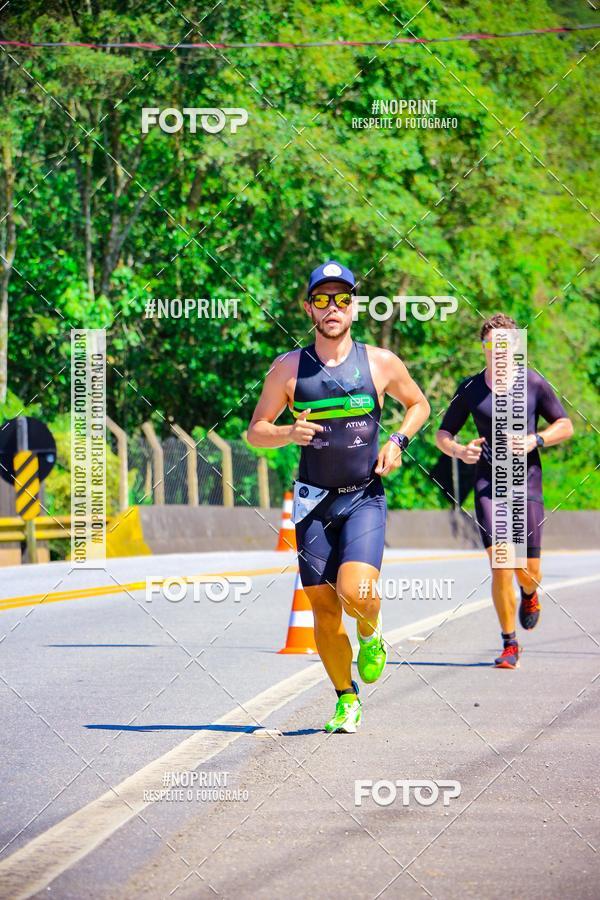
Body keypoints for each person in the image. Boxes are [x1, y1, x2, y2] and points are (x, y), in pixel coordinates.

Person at [247, 260, 430, 731]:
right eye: (323, 299)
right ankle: (345, 698)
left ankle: (371, 631)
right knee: (324, 610)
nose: (333, 307)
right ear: (308, 307)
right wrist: (287, 433)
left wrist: (398, 442)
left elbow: (419, 405)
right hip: (312, 503)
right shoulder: (288, 369)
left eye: (343, 298)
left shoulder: (380, 363)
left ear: (354, 307)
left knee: (356, 593)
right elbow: (256, 431)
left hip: (363, 495)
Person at [435, 313, 574, 668]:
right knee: (501, 564)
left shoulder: (533, 383)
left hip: (526, 483)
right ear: (483, 348)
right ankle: (510, 643)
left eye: (506, 345)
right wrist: (459, 451)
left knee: (527, 571)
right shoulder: (470, 389)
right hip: (488, 485)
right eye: (491, 345)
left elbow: (565, 425)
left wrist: (534, 439)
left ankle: (529, 593)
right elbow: (443, 434)